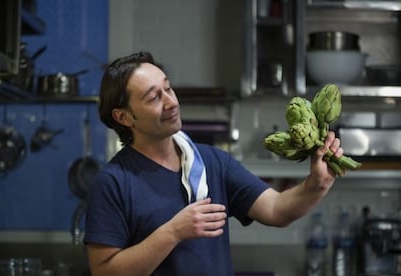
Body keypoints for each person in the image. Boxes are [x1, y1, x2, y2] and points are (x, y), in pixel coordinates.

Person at [84, 51, 344, 276]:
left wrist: (317, 183)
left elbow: (277, 210)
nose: (171, 102)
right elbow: (105, 271)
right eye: (153, 98)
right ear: (124, 117)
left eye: (168, 88)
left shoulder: (211, 162)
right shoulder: (114, 182)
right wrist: (173, 232)